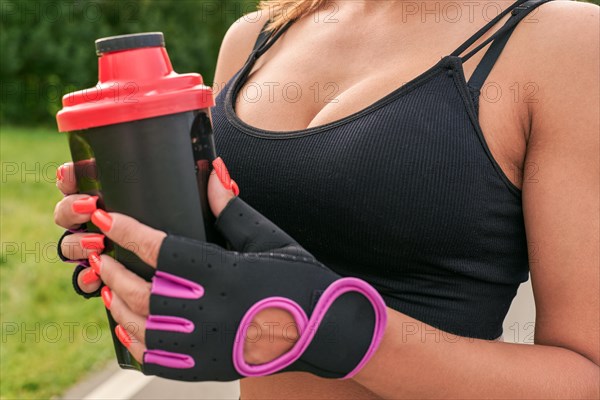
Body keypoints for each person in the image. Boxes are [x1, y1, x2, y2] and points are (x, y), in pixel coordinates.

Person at [54, 0, 599, 398]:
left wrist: (324, 325)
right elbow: (240, 260)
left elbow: (586, 376)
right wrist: (137, 240)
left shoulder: (563, 42)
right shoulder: (258, 34)